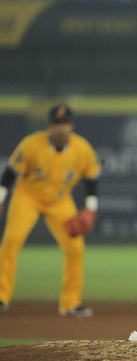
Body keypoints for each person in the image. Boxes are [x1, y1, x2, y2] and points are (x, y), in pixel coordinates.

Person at [0, 105, 101, 317]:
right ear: (49, 126)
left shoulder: (82, 148)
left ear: (71, 126)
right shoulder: (31, 144)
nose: (61, 128)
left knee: (75, 248)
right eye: (57, 123)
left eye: (65, 123)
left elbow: (92, 176)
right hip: (28, 196)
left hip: (59, 200)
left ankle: (70, 303)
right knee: (11, 241)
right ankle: (1, 296)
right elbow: (10, 173)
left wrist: (91, 208)